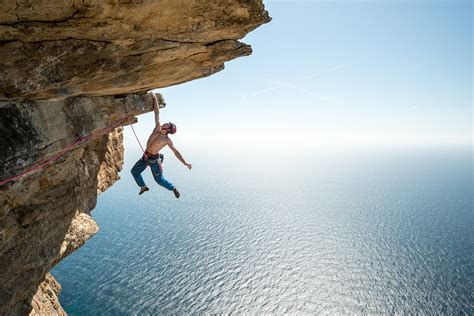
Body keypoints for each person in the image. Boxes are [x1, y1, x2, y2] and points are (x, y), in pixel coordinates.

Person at [131, 92, 192, 198]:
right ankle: (143, 186)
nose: (166, 123)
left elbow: (176, 152)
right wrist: (154, 98)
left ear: (168, 130)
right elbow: (156, 113)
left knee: (159, 180)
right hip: (146, 156)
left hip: (154, 160)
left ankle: (172, 187)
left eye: (168, 124)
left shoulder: (167, 140)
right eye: (167, 123)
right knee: (134, 171)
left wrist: (185, 163)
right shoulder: (157, 128)